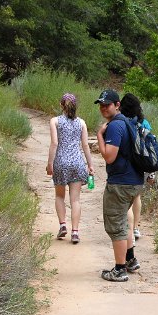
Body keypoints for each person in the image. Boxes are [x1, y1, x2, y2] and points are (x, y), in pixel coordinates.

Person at [95, 89, 145, 282]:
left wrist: (100, 135)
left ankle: (119, 269)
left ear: (117, 105)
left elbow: (109, 156)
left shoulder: (115, 126)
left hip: (120, 184)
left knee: (116, 226)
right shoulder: (128, 122)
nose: (103, 108)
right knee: (124, 223)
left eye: (107, 104)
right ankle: (131, 260)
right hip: (134, 182)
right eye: (101, 105)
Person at [46, 93, 94, 244]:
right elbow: (85, 145)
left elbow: (54, 143)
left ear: (61, 105)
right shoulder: (81, 123)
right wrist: (90, 165)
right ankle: (75, 232)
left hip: (60, 162)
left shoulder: (55, 121)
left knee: (60, 196)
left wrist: (50, 163)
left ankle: (62, 225)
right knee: (75, 200)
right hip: (77, 162)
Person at [118, 92, 156, 241]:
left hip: (125, 163)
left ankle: (128, 230)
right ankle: (136, 228)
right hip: (140, 162)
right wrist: (152, 171)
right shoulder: (144, 122)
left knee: (125, 199)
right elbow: (149, 145)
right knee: (136, 196)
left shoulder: (121, 121)